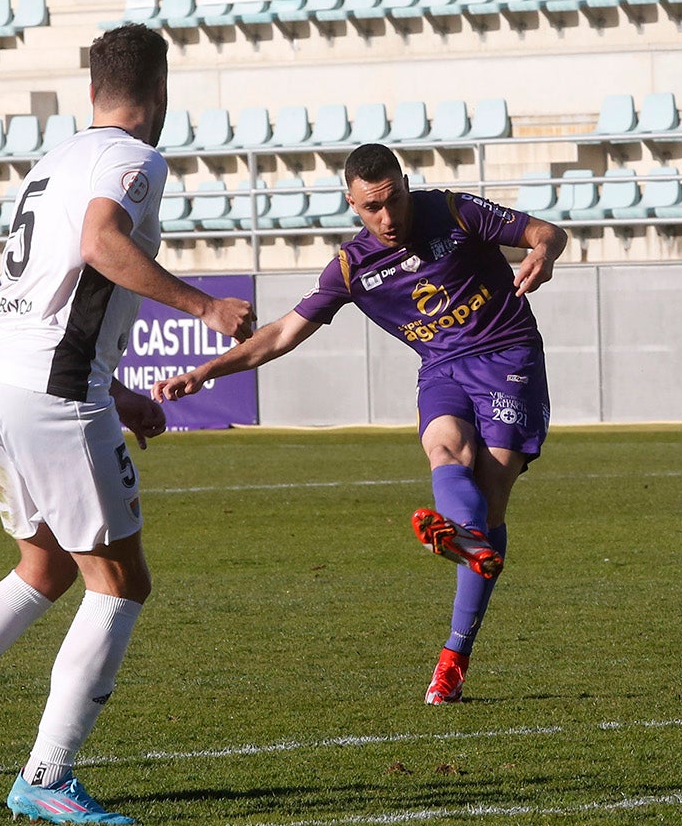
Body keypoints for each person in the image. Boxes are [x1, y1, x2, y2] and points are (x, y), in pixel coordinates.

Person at [0, 23, 256, 823]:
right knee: (119, 581)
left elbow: (56, 290)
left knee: (42, 569)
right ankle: (46, 773)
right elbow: (101, 244)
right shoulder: (136, 158)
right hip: (49, 392)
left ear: (91, 91)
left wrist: (117, 393)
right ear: (160, 93)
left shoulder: (56, 158)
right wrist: (205, 303)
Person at [152, 143, 567, 704]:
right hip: (441, 367)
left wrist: (542, 252)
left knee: (491, 501)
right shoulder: (352, 267)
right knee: (444, 450)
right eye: (373, 208)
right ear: (351, 202)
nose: (388, 218)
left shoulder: (452, 211)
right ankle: (464, 541)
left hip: (507, 355)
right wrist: (206, 372)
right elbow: (279, 334)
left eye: (394, 199)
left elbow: (546, 231)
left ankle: (455, 650)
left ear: (404, 183)